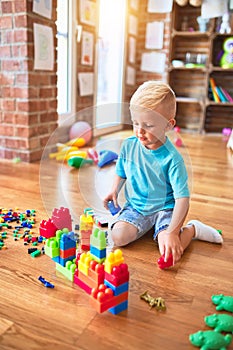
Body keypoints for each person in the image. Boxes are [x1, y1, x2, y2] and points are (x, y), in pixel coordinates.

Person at [103, 80, 223, 266]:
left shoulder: (173, 159)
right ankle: (150, 228)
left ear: (168, 125)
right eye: (135, 123)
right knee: (118, 237)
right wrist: (114, 190)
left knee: (169, 252)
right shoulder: (129, 145)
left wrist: (174, 232)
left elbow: (182, 200)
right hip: (137, 206)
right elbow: (121, 171)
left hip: (165, 208)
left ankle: (192, 230)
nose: (140, 131)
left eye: (148, 125)